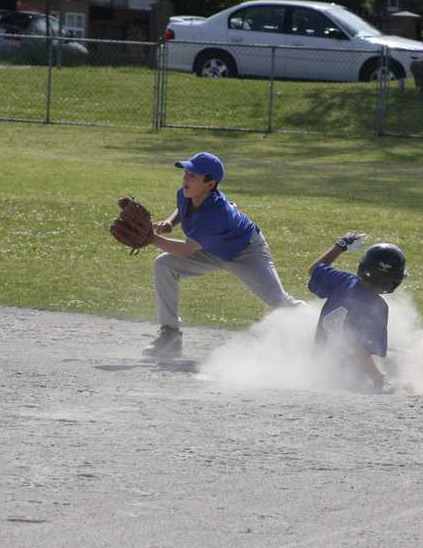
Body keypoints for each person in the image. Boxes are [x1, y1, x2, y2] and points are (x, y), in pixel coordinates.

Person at [144, 151, 302, 357]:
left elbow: (185, 250)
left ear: (210, 184)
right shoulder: (185, 193)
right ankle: (170, 336)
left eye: (193, 175)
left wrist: (151, 239)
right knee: (164, 265)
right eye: (186, 173)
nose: (185, 178)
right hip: (210, 250)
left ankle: (319, 326)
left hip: (245, 252)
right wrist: (169, 222)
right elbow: (181, 208)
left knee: (278, 299)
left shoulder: (217, 213)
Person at [307, 232, 407, 393]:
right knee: (398, 359)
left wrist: (340, 247)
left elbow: (314, 270)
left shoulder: (343, 280)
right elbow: (359, 350)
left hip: (317, 365)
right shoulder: (377, 306)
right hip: (345, 377)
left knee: (394, 352)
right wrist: (379, 379)